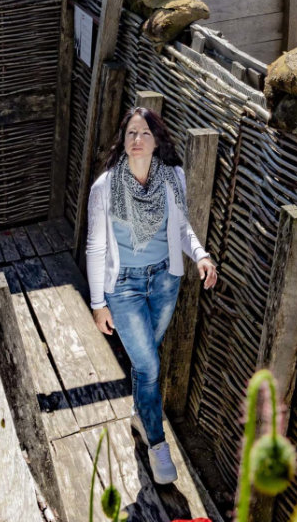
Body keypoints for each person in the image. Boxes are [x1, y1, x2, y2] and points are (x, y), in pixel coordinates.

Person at [86, 107, 218, 485]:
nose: (137, 139)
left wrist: (201, 255)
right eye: (131, 133)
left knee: (147, 364)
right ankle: (157, 442)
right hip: (123, 286)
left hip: (164, 281)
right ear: (123, 143)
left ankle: (139, 415)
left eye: (145, 132)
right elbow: (95, 248)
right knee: (149, 367)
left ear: (156, 140)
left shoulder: (172, 177)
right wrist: (98, 303)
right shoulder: (105, 187)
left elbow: (180, 228)